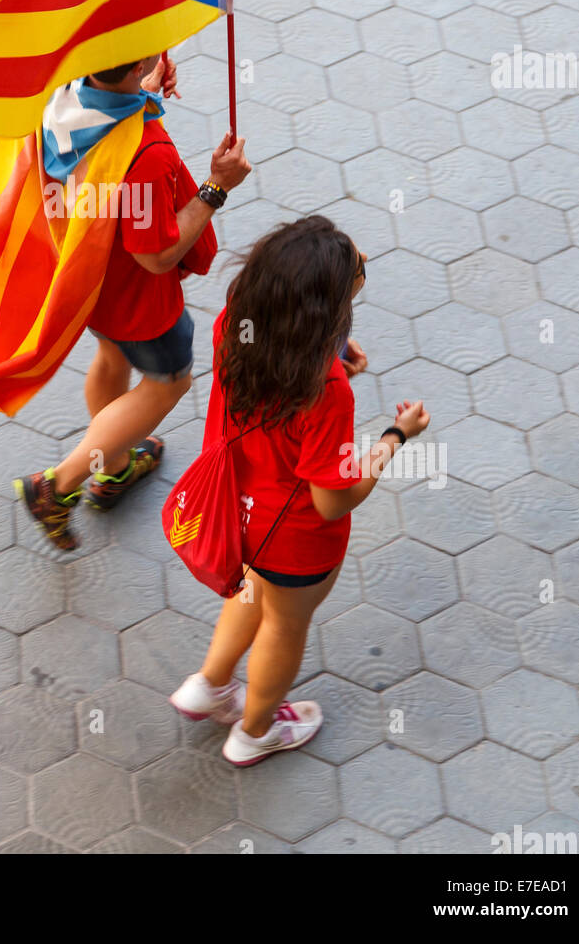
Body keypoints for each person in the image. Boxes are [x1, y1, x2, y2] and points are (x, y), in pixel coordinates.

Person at [169, 215, 431, 766]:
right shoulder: (325, 391)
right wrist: (393, 437)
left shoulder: (232, 325)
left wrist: (329, 351)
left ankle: (210, 685)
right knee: (284, 626)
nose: (361, 273)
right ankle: (255, 731)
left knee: (247, 597)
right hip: (290, 540)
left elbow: (271, 383)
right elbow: (331, 497)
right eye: (357, 272)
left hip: (231, 512)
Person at [15, 52, 253, 551]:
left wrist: (139, 82)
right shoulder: (146, 154)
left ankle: (115, 464)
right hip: (140, 300)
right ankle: (57, 487)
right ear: (132, 66)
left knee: (111, 353)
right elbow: (159, 255)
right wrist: (216, 187)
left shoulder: (61, 96)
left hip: (89, 279)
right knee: (167, 383)